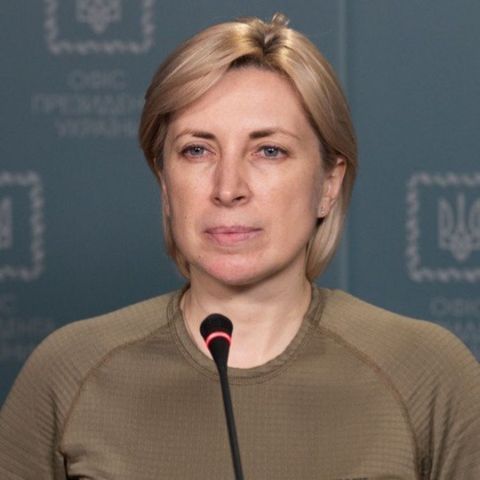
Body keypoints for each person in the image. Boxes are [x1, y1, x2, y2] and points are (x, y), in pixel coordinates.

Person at [1, 13, 479, 480]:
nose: (228, 188)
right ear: (165, 182)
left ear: (329, 183)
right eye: (197, 150)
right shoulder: (69, 371)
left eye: (269, 150)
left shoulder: (426, 374)